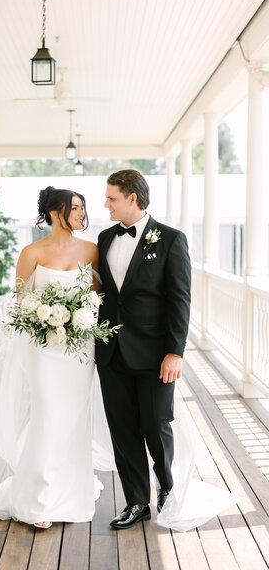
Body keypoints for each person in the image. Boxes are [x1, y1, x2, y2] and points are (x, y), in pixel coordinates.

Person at [0, 186, 103, 529]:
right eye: (75, 208)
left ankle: (70, 491)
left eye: (83, 208)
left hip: (78, 350)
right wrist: (47, 315)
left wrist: (76, 316)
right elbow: (22, 301)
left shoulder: (91, 250)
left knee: (75, 418)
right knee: (48, 414)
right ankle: (38, 499)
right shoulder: (32, 251)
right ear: (54, 212)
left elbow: (96, 296)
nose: (81, 214)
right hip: (44, 350)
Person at [96, 169, 192, 529]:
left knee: (156, 424)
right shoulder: (105, 238)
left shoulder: (171, 239)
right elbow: (106, 294)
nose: (106, 204)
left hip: (155, 356)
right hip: (111, 353)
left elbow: (179, 300)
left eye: (112, 198)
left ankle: (167, 489)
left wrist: (175, 352)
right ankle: (137, 502)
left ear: (132, 198)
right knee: (122, 430)